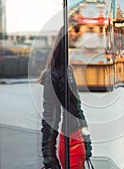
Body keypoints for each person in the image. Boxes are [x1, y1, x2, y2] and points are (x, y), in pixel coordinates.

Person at [38, 27, 92, 169]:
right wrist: (48, 156)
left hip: (76, 139)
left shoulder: (68, 71)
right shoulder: (53, 75)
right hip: (69, 142)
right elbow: (50, 117)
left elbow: (77, 108)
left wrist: (86, 140)